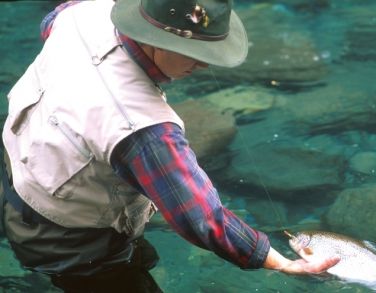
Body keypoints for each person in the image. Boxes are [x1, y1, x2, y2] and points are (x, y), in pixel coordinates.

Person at [0, 0, 339, 292]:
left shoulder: (86, 12)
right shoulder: (143, 128)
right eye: (196, 52)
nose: (205, 63)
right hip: (69, 243)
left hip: (19, 168)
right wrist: (280, 263)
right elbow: (200, 217)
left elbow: (51, 23)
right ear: (156, 40)